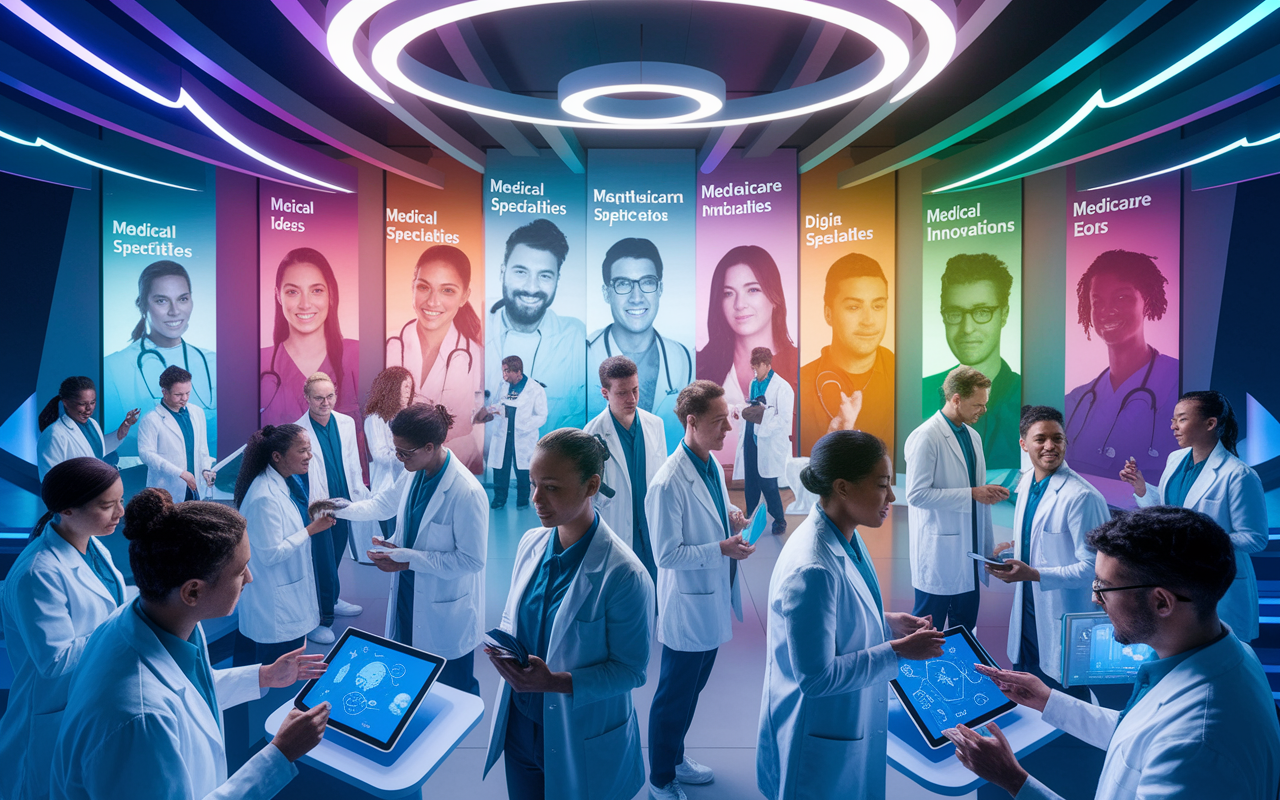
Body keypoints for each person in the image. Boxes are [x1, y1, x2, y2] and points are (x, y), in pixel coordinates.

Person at [945, 506, 1280, 799]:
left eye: (1103, 587)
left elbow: (1164, 740)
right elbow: (1138, 733)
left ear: (1161, 602)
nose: (1095, 599)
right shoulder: (1228, 653)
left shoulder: (1197, 746)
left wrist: (1012, 779)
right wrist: (1047, 698)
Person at [50, 488, 332, 800]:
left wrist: (264, 675)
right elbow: (163, 704)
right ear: (193, 592)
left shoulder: (157, 620)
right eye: (240, 571)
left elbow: (187, 690)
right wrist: (280, 754)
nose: (249, 579)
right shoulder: (139, 721)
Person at [757, 431, 945, 800]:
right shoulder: (813, 567)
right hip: (817, 733)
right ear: (842, 487)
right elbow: (816, 678)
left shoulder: (844, 535)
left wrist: (885, 620)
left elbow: (837, 610)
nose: (892, 496)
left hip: (845, 718)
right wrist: (899, 651)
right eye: (882, 485)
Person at [482, 429, 654, 800]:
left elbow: (631, 670)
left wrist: (555, 682)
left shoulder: (624, 574)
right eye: (532, 484)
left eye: (552, 488)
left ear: (591, 485)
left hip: (580, 731)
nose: (535, 499)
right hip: (521, 726)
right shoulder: (531, 545)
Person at [319, 403, 488, 695]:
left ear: (430, 447)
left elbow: (471, 561)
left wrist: (407, 559)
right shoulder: (415, 470)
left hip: (445, 605)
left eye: (404, 452)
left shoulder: (467, 492)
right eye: (396, 450)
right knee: (414, 678)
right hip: (410, 593)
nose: (398, 458)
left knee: (454, 690)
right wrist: (342, 509)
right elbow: (384, 504)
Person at [646, 380, 753, 799]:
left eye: (727, 418)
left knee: (692, 691)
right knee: (673, 697)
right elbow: (666, 555)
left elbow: (712, 503)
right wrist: (721, 547)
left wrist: (734, 516)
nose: (728, 428)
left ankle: (674, 758)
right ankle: (659, 779)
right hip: (687, 607)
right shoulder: (667, 483)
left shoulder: (707, 462)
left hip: (709, 600)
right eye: (719, 421)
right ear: (691, 423)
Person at [0, 459, 127, 800]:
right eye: (107, 506)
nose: (120, 512)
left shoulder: (92, 545)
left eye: (120, 500)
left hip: (87, 698)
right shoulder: (37, 573)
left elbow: (109, 605)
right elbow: (54, 660)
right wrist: (129, 624)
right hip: (49, 710)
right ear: (67, 509)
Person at [1120, 390, 1267, 642]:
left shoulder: (1238, 474)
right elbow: (1170, 513)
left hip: (1218, 583)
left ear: (1210, 424)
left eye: (1182, 419)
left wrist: (1200, 539)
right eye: (1173, 419)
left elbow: (1255, 538)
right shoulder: (1175, 459)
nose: (1173, 426)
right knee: (1181, 650)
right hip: (1175, 577)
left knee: (1221, 657)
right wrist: (1142, 488)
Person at [986, 406, 1108, 695]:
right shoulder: (1027, 482)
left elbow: (1096, 568)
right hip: (1028, 618)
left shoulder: (1082, 496)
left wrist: (1034, 573)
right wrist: (1010, 551)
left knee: (1065, 705)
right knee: (1027, 699)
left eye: (1058, 438)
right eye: (1040, 439)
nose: (1050, 446)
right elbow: (1044, 540)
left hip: (1062, 616)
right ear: (1023, 444)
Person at [905, 366, 1008, 632]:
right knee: (928, 631)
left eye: (985, 405)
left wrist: (985, 493)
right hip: (939, 554)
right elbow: (916, 494)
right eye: (978, 404)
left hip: (969, 553)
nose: (983, 411)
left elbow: (967, 486)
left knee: (965, 630)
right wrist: (973, 494)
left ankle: (961, 674)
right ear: (956, 399)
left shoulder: (972, 436)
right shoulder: (926, 436)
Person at [1066, 250, 1179, 479]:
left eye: (1121, 297)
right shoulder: (1077, 401)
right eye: (1097, 301)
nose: (1107, 311)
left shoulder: (1181, 382)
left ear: (1146, 302)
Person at [233, 424, 336, 665]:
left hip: (285, 593)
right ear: (277, 456)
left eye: (309, 449)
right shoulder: (264, 497)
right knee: (276, 672)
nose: (309, 456)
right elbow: (271, 554)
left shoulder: (286, 481)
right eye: (302, 450)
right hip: (274, 605)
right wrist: (311, 530)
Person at [586, 238, 692, 452]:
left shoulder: (682, 358)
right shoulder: (584, 354)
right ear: (607, 293)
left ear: (659, 288)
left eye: (647, 282)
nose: (636, 297)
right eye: (623, 283)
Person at [386, 245, 485, 472]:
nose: (432, 302)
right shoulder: (389, 347)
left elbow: (477, 432)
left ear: (464, 296)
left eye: (447, 290)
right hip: (394, 473)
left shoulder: (477, 357)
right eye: (424, 287)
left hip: (449, 472)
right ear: (413, 287)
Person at [103, 260, 217, 457]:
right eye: (161, 300)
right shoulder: (114, 367)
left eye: (182, 299)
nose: (174, 311)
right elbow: (112, 444)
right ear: (142, 304)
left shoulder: (214, 363)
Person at [485, 219, 586, 433]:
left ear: (558, 279)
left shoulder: (575, 337)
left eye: (545, 275)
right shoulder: (474, 330)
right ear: (502, 272)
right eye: (521, 272)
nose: (532, 287)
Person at [922, 254, 1022, 469]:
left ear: (1004, 314)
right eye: (954, 313)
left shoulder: (1028, 399)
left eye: (982, 312)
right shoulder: (920, 393)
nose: (967, 328)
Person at [295, 372, 369, 644]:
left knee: (337, 554)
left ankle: (332, 599)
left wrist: (358, 495)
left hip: (345, 500)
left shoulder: (347, 423)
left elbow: (352, 461)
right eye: (318, 398)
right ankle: (320, 619)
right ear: (307, 398)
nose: (325, 402)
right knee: (321, 561)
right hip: (319, 505)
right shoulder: (298, 431)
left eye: (330, 396)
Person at [798, 253, 895, 456]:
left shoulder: (906, 376)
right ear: (828, 314)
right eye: (854, 307)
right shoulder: (798, 384)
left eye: (878, 306)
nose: (868, 321)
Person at [259, 247, 362, 439]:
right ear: (277, 295)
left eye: (316, 290)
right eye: (292, 292)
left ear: (330, 293)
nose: (305, 304)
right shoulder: (260, 363)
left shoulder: (357, 356)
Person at [583, 355, 668, 584]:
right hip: (616, 529)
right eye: (622, 393)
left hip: (653, 529)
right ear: (605, 393)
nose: (631, 399)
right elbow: (589, 499)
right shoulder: (592, 434)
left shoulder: (655, 425)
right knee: (624, 598)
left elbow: (663, 479)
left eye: (635, 390)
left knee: (656, 595)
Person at [697, 245, 799, 413]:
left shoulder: (801, 368)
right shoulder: (700, 366)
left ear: (775, 297)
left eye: (752, 290)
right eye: (728, 293)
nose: (739, 305)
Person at [733, 347, 794, 537]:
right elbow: (753, 405)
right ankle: (750, 518)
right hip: (752, 436)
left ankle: (779, 520)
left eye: (758, 367)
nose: (754, 370)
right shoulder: (753, 383)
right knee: (751, 481)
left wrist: (762, 418)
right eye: (753, 367)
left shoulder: (782, 387)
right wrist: (741, 410)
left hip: (769, 440)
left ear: (767, 365)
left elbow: (784, 419)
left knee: (768, 483)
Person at [137, 365, 216, 502]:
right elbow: (146, 454)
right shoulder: (151, 419)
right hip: (166, 489)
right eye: (178, 394)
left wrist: (205, 469)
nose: (184, 398)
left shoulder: (197, 412)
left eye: (188, 393)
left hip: (195, 487)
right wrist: (180, 473)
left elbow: (202, 448)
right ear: (164, 392)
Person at [37, 376, 138, 480]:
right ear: (66, 403)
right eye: (82, 404)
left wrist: (125, 426)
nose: (89, 409)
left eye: (92, 402)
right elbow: (49, 480)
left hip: (93, 491)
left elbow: (98, 450)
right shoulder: (53, 435)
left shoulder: (92, 423)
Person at [486, 356, 548, 510]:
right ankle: (499, 499)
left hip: (522, 436)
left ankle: (522, 499)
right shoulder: (503, 385)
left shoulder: (535, 389)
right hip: (503, 435)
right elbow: (496, 403)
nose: (504, 375)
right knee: (500, 469)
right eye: (503, 371)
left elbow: (542, 416)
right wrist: (495, 410)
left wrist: (524, 426)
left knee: (523, 469)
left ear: (518, 372)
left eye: (507, 371)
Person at [363, 366, 413, 540]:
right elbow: (381, 456)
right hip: (386, 490)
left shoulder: (408, 416)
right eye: (405, 386)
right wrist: (411, 454)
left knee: (406, 539)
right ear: (392, 387)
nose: (409, 391)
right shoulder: (375, 419)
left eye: (410, 387)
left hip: (407, 489)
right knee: (393, 541)